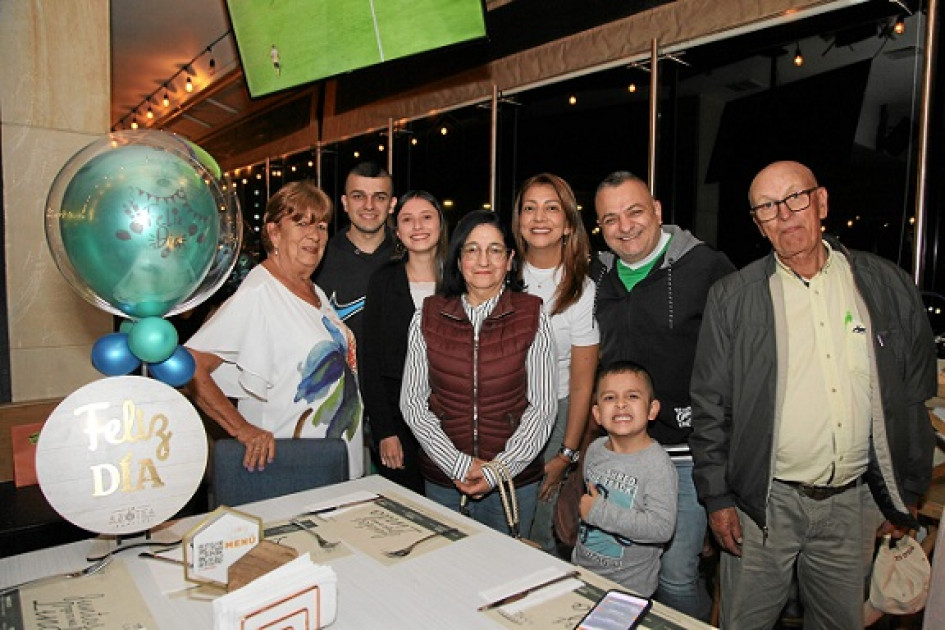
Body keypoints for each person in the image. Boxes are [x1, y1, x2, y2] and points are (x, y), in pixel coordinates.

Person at [690, 160, 937, 628]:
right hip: (762, 505)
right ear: (758, 225)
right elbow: (709, 407)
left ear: (821, 202)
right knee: (744, 622)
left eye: (795, 198)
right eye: (767, 207)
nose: (784, 214)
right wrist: (718, 499)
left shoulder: (887, 286)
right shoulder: (732, 297)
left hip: (853, 503)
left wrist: (903, 493)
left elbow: (913, 393)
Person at [594, 171, 734, 620]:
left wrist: (723, 477)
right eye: (610, 218)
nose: (625, 226)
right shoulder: (596, 276)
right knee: (617, 574)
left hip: (685, 456)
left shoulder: (707, 268)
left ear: (656, 210)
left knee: (675, 577)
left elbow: (736, 367)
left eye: (635, 211)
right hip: (618, 454)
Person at [186, 180, 363, 478]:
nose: (314, 234)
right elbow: (191, 365)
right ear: (274, 232)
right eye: (301, 223)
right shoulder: (261, 292)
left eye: (321, 226)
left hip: (333, 464)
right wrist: (242, 430)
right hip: (291, 468)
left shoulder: (313, 291)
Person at [400, 210, 557, 535]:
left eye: (495, 249)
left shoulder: (533, 315)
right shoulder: (426, 316)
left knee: (508, 578)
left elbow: (542, 409)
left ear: (510, 259)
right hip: (445, 480)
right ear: (458, 259)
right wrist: (458, 463)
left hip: (511, 482)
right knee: (445, 573)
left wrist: (497, 470)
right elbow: (412, 404)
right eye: (472, 249)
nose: (483, 260)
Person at [511, 173, 599, 556]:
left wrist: (567, 454)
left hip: (555, 417)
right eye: (529, 208)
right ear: (518, 220)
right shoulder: (500, 272)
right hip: (501, 412)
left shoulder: (581, 288)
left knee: (538, 530)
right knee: (497, 521)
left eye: (551, 208)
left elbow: (582, 383)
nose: (539, 217)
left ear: (567, 224)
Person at [360, 191, 448, 494]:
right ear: (397, 231)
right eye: (407, 220)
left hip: (450, 423)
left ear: (440, 225)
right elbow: (368, 360)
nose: (418, 226)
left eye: (426, 217)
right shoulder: (383, 280)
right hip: (397, 423)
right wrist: (385, 431)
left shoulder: (460, 281)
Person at [572, 361, 678, 597]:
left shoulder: (657, 465)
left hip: (628, 589)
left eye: (632, 396)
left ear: (652, 410)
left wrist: (599, 512)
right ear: (597, 414)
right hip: (582, 574)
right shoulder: (595, 450)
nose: (621, 404)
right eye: (610, 398)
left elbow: (661, 528)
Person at [315, 161, 396, 343]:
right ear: (345, 203)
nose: (369, 205)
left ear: (392, 204)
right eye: (358, 196)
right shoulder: (319, 258)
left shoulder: (407, 257)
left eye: (380, 197)